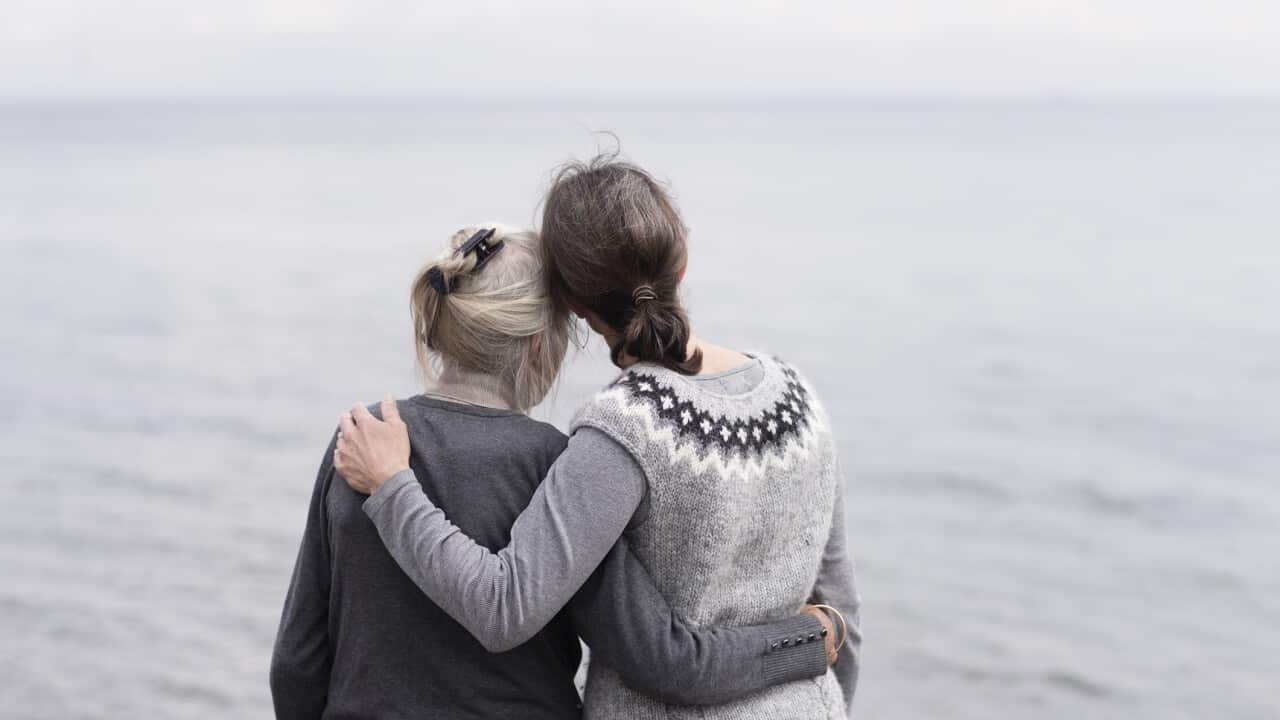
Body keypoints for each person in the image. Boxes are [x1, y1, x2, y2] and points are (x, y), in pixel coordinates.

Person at [337, 156, 862, 719]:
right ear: (682, 258)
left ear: (571, 304)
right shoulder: (796, 396)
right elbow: (843, 617)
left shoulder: (622, 430)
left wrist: (393, 486)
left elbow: (504, 607)